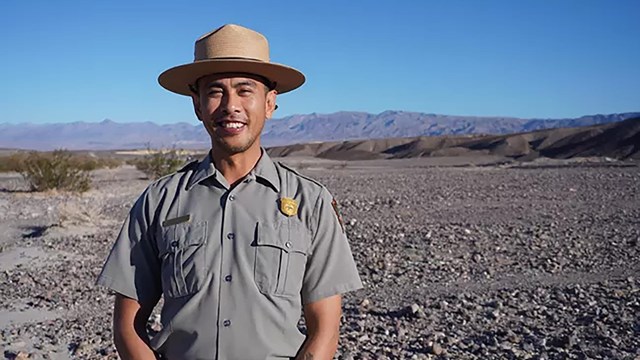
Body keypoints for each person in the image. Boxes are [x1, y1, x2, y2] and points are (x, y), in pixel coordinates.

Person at [96, 24, 363, 360]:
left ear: (269, 103)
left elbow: (324, 330)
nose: (230, 106)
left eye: (245, 90)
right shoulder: (158, 202)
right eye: (215, 91)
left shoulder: (311, 202)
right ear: (197, 105)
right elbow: (127, 326)